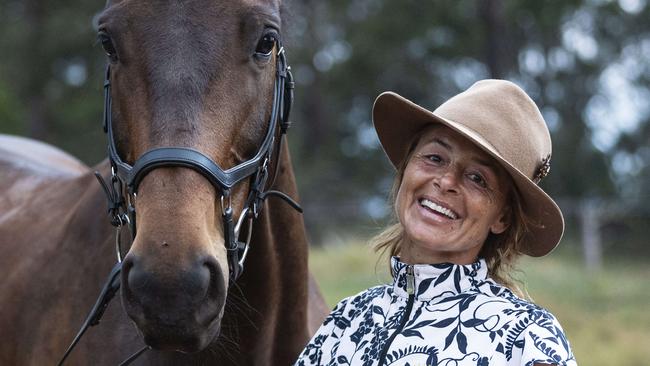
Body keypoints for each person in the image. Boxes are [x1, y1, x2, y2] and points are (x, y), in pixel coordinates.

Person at [295, 80, 577, 366]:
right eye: (435, 158)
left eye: (477, 178)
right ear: (406, 169)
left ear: (502, 218)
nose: (446, 181)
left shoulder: (526, 340)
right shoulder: (347, 320)